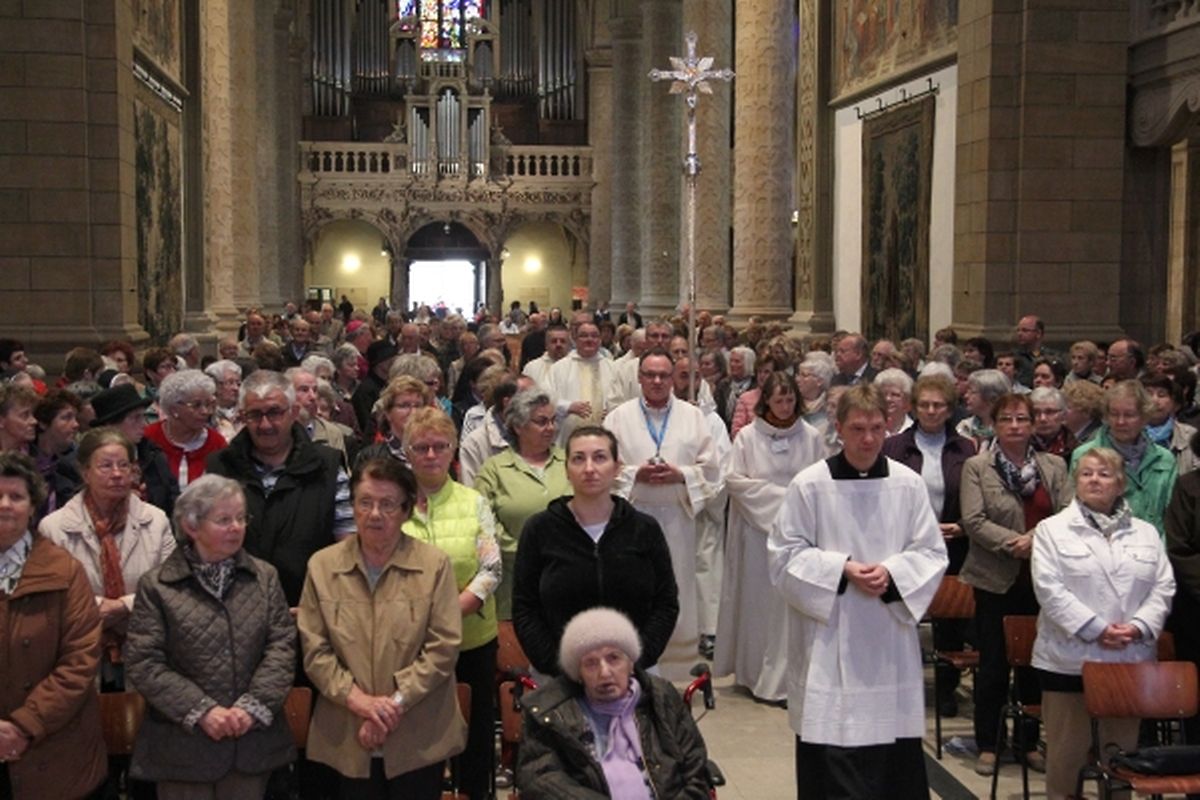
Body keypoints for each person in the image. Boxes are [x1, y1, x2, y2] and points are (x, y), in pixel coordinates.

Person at [767, 384, 948, 799]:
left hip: (888, 637)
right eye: (858, 429)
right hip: (830, 636)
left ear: (888, 426)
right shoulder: (810, 484)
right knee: (832, 748)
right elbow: (783, 555)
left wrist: (892, 572)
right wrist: (842, 569)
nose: (868, 439)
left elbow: (930, 552)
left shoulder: (907, 484)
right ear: (838, 427)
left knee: (893, 759)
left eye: (877, 428)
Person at [298, 458, 466, 800]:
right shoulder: (322, 566)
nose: (374, 514)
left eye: (387, 504)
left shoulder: (434, 565)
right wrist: (361, 703)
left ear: (406, 510)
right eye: (365, 502)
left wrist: (392, 705)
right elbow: (316, 652)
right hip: (347, 732)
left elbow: (443, 648)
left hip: (418, 733)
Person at [125, 474, 296, 799]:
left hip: (252, 744)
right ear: (191, 526)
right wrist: (202, 711)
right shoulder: (157, 586)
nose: (236, 527)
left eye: (241, 518)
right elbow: (144, 662)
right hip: (182, 750)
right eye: (223, 520)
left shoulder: (265, 577)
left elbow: (281, 647)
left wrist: (252, 707)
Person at [1030, 446, 1175, 800]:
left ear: (1121, 483)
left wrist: (1139, 626)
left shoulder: (1146, 533)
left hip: (1128, 659)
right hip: (1069, 660)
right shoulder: (1052, 530)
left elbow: (1163, 586)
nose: (1094, 480)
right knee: (1066, 758)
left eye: (1104, 474)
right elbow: (1049, 589)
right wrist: (1097, 629)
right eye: (1086, 473)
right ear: (1076, 481)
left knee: (1121, 758)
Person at [960, 392, 1072, 775]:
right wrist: (1014, 543)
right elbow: (973, 520)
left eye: (1022, 418)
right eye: (1006, 419)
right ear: (994, 424)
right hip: (994, 579)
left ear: (1033, 424)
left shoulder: (1053, 465)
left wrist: (1036, 540)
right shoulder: (978, 466)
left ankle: (1028, 743)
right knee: (994, 665)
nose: (1015, 425)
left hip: (1041, 579)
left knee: (1033, 666)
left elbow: (1068, 513)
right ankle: (988, 744)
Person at [513, 426, 679, 677]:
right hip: (558, 677)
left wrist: (636, 660)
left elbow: (665, 602)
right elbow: (525, 606)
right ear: (566, 469)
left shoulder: (644, 529)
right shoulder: (540, 529)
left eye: (600, 457)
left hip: (635, 672)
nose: (589, 468)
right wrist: (558, 665)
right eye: (578, 459)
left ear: (617, 468)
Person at [401, 407, 499, 800]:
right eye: (421, 447)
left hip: (471, 640)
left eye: (440, 446)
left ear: (453, 449)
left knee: (474, 738)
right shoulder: (392, 505)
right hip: (408, 644)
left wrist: (449, 612)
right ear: (406, 452)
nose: (431, 455)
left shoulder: (474, 502)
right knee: (418, 736)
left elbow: (491, 568)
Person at [604, 350, 721, 680]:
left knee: (674, 589)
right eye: (650, 375)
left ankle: (674, 672)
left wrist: (681, 474)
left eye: (663, 375)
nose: (656, 381)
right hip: (631, 520)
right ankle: (633, 667)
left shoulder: (693, 416)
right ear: (639, 377)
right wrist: (634, 474)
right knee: (634, 590)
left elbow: (712, 469)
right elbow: (603, 464)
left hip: (677, 521)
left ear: (673, 379)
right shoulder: (617, 418)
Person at [0, 451, 107, 800]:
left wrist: (24, 726)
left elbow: (80, 660)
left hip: (56, 750)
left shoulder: (65, 570)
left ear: (33, 506)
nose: (4, 505)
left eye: (16, 496)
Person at [517, 608, 710, 799]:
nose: (605, 672)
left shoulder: (662, 697)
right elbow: (540, 780)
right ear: (578, 674)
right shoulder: (550, 713)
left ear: (631, 663)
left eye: (614, 658)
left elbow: (695, 772)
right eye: (591, 663)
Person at [715, 372, 824, 702]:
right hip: (757, 536)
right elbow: (735, 481)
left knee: (789, 608)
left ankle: (790, 680)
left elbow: (821, 481)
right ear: (766, 402)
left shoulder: (811, 437)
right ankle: (755, 676)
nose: (785, 406)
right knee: (760, 608)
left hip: (799, 537)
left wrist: (796, 507)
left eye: (790, 400)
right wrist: (784, 499)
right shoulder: (748, 437)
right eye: (779, 400)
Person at [39, 428, 175, 690]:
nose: (117, 474)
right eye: (106, 466)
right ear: (85, 473)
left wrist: (123, 606)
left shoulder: (156, 521)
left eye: (124, 465)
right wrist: (98, 607)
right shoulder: (54, 528)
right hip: (78, 652)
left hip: (146, 650)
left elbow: (170, 586)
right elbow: (54, 596)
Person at [206, 369, 354, 607]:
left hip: (309, 607)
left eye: (274, 413)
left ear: (294, 412)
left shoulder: (327, 467)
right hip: (235, 609)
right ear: (242, 416)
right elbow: (204, 546)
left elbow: (347, 549)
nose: (265, 424)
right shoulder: (219, 468)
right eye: (255, 415)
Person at [881, 374, 977, 716]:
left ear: (950, 409)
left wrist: (962, 526)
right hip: (906, 546)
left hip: (952, 544)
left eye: (939, 405)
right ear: (914, 407)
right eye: (925, 405)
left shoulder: (966, 448)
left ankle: (946, 689)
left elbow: (974, 497)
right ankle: (896, 685)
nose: (932, 411)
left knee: (949, 622)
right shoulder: (893, 447)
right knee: (901, 614)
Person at [473, 389, 569, 620]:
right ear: (518, 426)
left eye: (553, 420)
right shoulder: (494, 469)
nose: (551, 428)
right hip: (514, 582)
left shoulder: (570, 460)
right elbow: (483, 523)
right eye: (541, 422)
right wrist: (526, 551)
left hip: (567, 577)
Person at [1071, 379, 1178, 537]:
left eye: (1129, 415)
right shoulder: (1084, 455)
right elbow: (1073, 510)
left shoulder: (1164, 459)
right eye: (1114, 414)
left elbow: (1172, 516)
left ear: (1144, 417)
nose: (1120, 422)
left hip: (1155, 544)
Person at [143, 369, 227, 490]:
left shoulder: (217, 443)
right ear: (173, 409)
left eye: (208, 404)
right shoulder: (149, 437)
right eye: (196, 405)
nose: (205, 411)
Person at [956, 368, 1011, 448]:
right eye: (967, 391)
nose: (966, 396)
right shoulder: (964, 428)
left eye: (972, 392)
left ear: (991, 397)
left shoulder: (1011, 429)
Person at [1030, 385, 1077, 458]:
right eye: (1036, 412)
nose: (1043, 419)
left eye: (1050, 412)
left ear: (1063, 415)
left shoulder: (1075, 448)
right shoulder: (1020, 446)